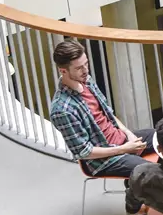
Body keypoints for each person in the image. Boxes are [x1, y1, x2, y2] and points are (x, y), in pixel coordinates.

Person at [49, 40, 156, 183]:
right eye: (79, 68)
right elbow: (84, 152)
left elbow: (109, 114)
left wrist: (129, 135)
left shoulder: (87, 80)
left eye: (86, 63)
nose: (86, 70)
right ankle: (135, 195)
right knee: (152, 171)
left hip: (121, 140)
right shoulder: (62, 110)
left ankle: (137, 185)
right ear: (63, 71)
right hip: (104, 160)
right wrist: (124, 149)